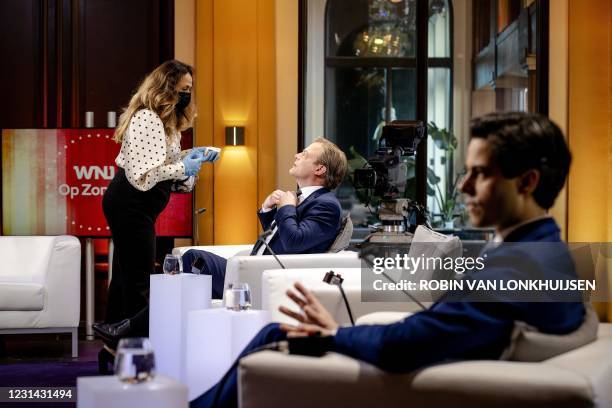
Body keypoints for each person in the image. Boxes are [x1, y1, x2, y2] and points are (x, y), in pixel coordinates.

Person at [190, 112, 585, 408]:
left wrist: (335, 334)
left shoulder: (514, 269)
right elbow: (442, 327)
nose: (463, 186)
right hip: (435, 356)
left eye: (479, 174)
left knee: (275, 334)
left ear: (527, 182)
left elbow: (405, 345)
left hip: (414, 373)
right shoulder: (546, 252)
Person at [94, 137, 348, 345]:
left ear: (320, 169)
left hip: (266, 277)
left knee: (194, 261)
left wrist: (286, 207)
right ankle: (139, 331)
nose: (297, 156)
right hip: (255, 267)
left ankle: (132, 329)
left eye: (304, 154)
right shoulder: (305, 200)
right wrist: (268, 210)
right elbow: (280, 240)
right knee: (191, 264)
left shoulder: (327, 205)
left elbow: (294, 243)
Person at [93, 60, 219, 347]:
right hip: (130, 202)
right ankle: (141, 349)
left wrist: (191, 157)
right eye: (183, 89)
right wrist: (184, 168)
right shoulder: (147, 118)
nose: (188, 94)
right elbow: (144, 176)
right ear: (167, 87)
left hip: (139, 205)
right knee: (139, 280)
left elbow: (164, 164)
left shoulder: (168, 122)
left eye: (190, 89)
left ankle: (115, 340)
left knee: (125, 276)